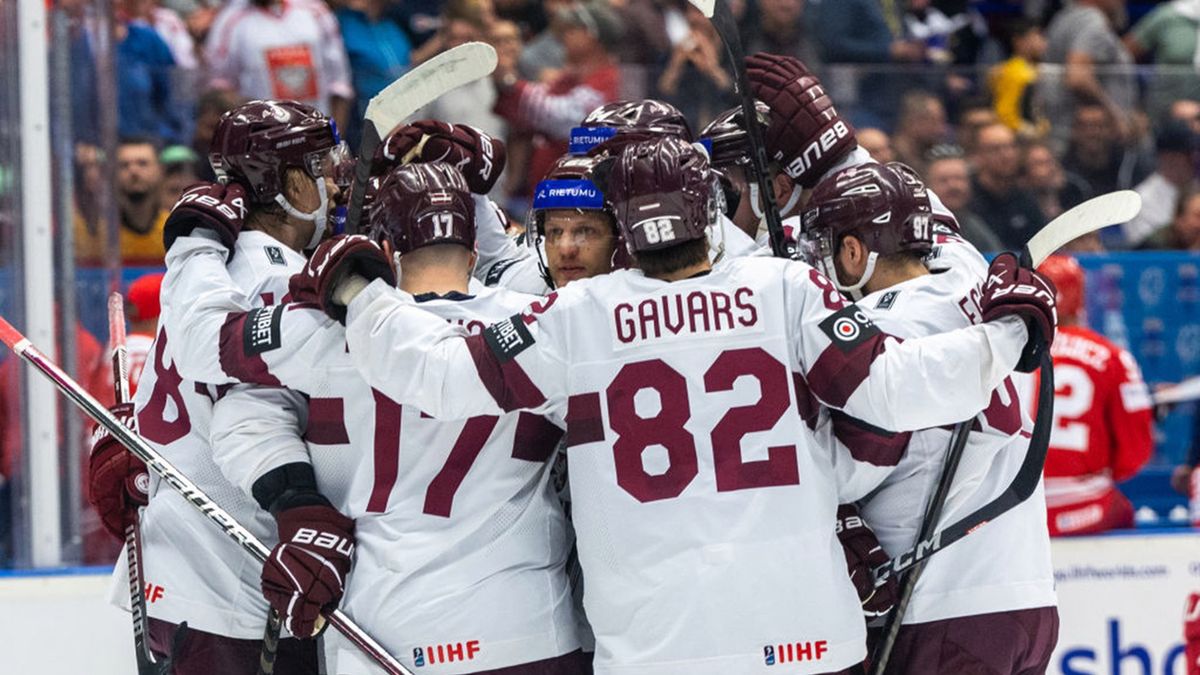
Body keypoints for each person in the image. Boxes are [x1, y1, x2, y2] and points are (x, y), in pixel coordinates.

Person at [228, 135, 1057, 675]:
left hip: (658, 648)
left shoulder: (575, 317)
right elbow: (906, 388)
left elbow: (438, 372)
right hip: (805, 635)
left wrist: (358, 292)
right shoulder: (785, 290)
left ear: (621, 222)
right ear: (707, 211)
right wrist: (1010, 332)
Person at [164, 161, 589, 674]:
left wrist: (196, 239)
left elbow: (202, 346)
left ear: (385, 251)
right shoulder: (542, 322)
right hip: (525, 627)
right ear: (475, 254)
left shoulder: (319, 329)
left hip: (380, 631)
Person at [86, 99, 349, 673]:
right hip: (237, 586)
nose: (334, 182)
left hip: (174, 569)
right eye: (322, 167)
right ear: (290, 185)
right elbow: (248, 413)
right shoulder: (283, 278)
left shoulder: (207, 265)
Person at [799, 161, 1059, 674]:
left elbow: (846, 467)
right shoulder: (983, 291)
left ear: (853, 252)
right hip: (1028, 595)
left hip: (941, 607)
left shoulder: (872, 328)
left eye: (826, 252)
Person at [1036, 254, 1154, 536]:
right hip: (1085, 505)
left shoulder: (1007, 354)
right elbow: (1135, 452)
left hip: (1015, 512)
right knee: (1124, 512)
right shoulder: (1113, 357)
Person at [204, 0, 353, 130]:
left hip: (318, 135)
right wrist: (259, 113)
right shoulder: (230, 20)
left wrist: (335, 137)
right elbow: (220, 86)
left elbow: (339, 84)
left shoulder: (314, 11)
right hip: (263, 144)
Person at [75, 136, 173, 266]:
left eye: (142, 163)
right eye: (124, 165)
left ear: (160, 170)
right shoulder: (90, 232)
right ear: (111, 172)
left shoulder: (175, 230)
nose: (133, 170)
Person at [968, 122, 1046, 250]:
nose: (1007, 155)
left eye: (1011, 147)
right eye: (996, 149)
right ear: (978, 155)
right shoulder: (968, 198)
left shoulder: (1025, 198)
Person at [923, 145, 1002, 252]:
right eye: (943, 180)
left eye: (959, 178)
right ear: (928, 186)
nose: (953, 186)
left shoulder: (974, 226)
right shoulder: (920, 230)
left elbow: (997, 259)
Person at [989, 18, 1049, 139]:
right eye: (1035, 36)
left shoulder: (1035, 69)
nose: (1042, 42)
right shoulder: (1015, 72)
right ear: (1019, 41)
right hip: (1020, 138)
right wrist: (1028, 131)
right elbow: (1005, 113)